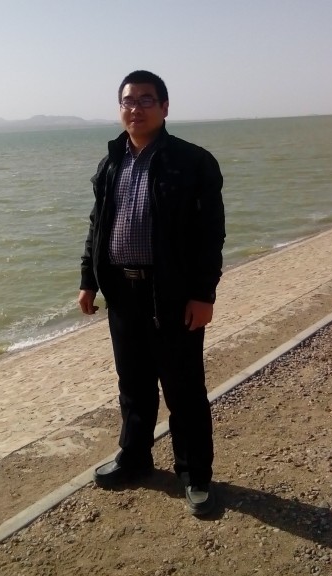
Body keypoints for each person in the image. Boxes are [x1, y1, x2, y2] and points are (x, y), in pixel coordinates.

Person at [78, 70, 225, 517]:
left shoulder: (192, 161)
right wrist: (88, 280)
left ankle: (195, 473)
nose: (135, 108)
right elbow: (97, 225)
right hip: (122, 292)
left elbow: (210, 234)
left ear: (164, 107)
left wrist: (203, 295)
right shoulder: (111, 163)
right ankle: (135, 457)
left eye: (146, 100)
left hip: (173, 293)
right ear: (120, 108)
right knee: (134, 383)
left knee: (183, 388)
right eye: (128, 101)